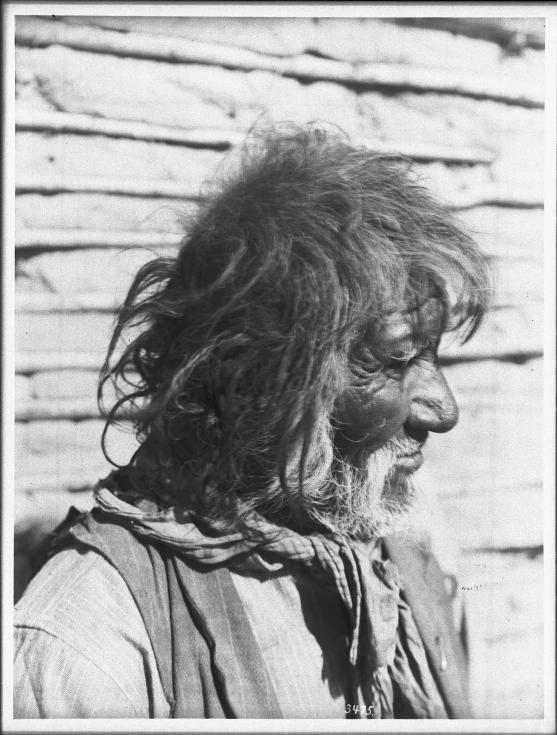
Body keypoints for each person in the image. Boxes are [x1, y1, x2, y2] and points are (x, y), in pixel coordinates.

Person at [14, 125, 490, 719]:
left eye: (432, 354)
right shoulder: (94, 642)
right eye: (393, 360)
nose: (444, 410)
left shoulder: (414, 542)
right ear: (261, 380)